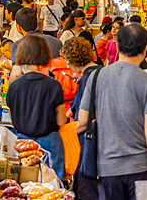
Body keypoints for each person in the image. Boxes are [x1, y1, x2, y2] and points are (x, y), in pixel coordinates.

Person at [78, 23, 147, 199]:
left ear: (117, 45)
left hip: (107, 166)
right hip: (141, 166)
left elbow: (82, 121)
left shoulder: (96, 76)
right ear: (145, 49)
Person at [6, 35, 67, 178]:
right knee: (52, 188)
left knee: (23, 187)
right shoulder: (53, 85)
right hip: (49, 145)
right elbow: (61, 120)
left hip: (21, 144)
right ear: (45, 54)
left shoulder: (14, 86)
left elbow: (11, 114)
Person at [62, 37, 101, 200]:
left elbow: (84, 119)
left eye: (67, 60)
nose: (67, 65)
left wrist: (63, 133)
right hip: (101, 138)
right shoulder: (100, 70)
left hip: (86, 141)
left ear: (74, 58)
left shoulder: (86, 79)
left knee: (85, 189)